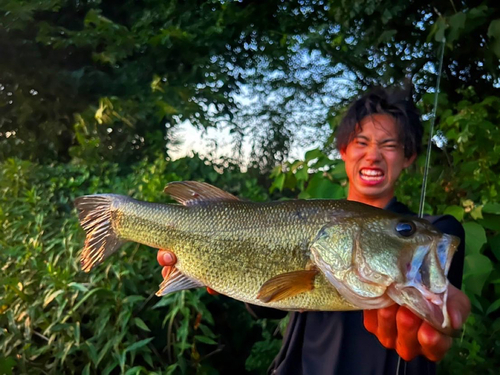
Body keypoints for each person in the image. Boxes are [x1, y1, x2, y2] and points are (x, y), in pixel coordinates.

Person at [157, 87, 470, 374]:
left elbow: (441, 297)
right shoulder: (301, 219)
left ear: (409, 157)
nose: (373, 155)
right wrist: (213, 270)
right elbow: (264, 303)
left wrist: (442, 308)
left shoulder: (433, 231)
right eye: (362, 142)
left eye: (389, 145)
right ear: (343, 150)